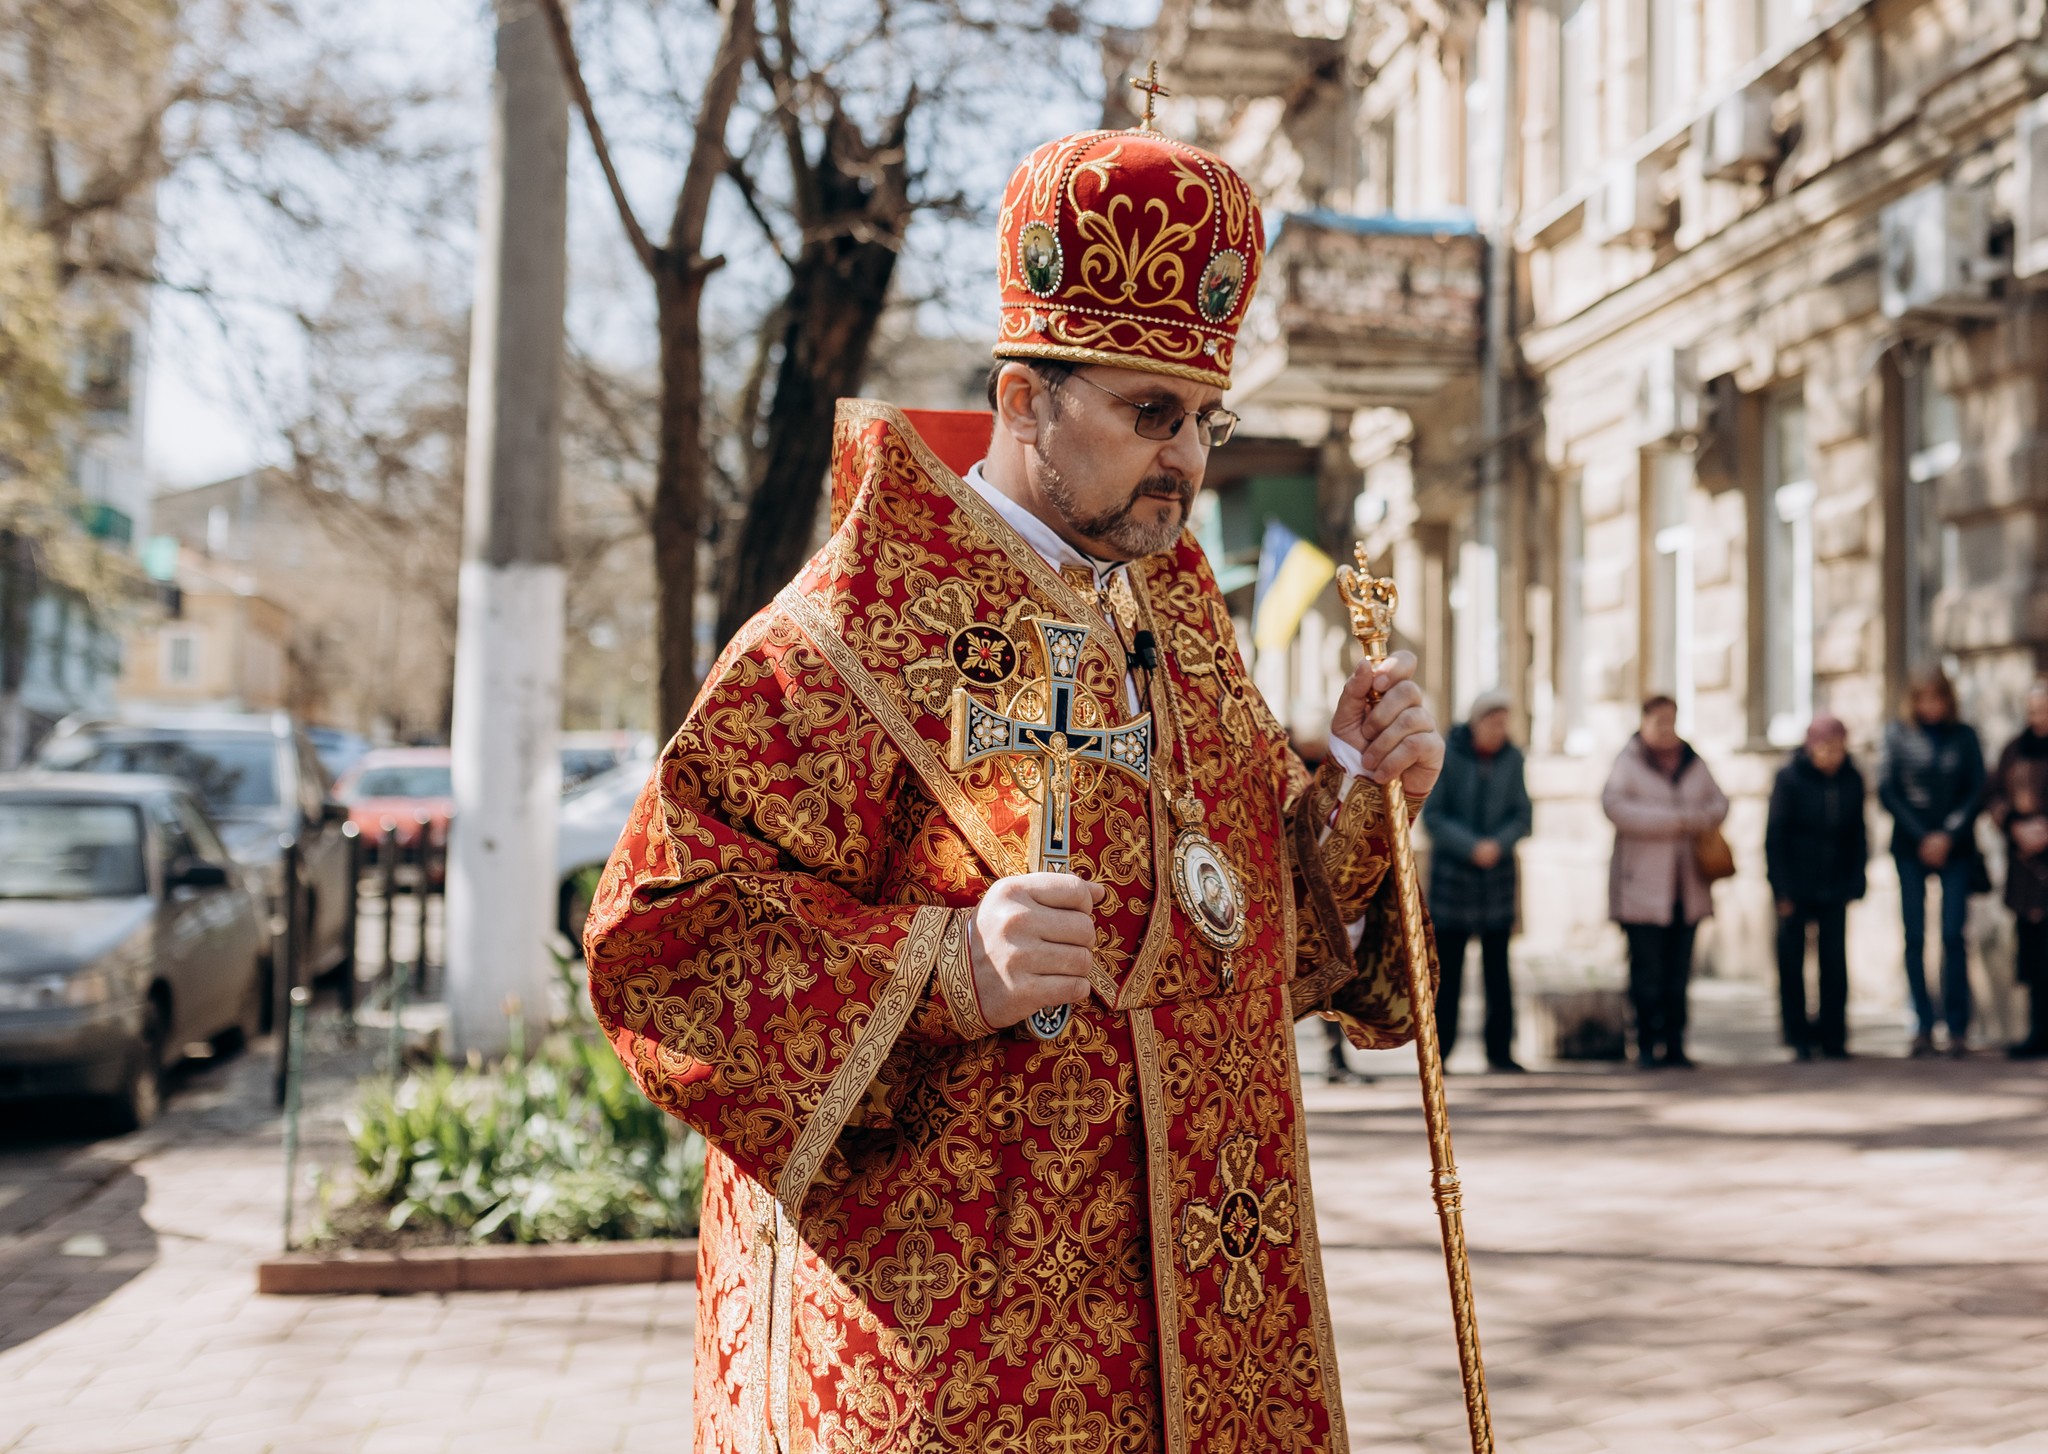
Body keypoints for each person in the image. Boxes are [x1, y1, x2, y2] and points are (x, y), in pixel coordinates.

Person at [583, 119, 1448, 1452]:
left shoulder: (1181, 622)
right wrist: (943, 970)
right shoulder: (842, 633)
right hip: (958, 1360)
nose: (1190, 461)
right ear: (1024, 398)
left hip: (1210, 1336)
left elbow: (1254, 940)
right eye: (1148, 413)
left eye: (1205, 418)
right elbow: (656, 949)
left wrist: (1352, 793)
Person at [1602, 696, 1729, 1068]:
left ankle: (1675, 1043)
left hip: (1686, 885)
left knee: (1678, 972)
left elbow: (1719, 804)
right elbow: (1615, 808)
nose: (1666, 729)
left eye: (1671, 721)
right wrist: (1673, 821)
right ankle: (1644, 1043)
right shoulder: (1628, 762)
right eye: (1658, 721)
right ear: (1643, 723)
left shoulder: (1693, 761)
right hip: (1641, 886)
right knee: (1647, 972)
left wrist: (1694, 818)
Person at [1878, 666, 1986, 1058]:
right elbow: (1887, 789)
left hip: (1955, 847)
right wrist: (1923, 835)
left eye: (1937, 698)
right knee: (1914, 936)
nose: (1930, 706)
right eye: (1923, 699)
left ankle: (1957, 1026)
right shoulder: (1897, 734)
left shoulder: (1964, 736)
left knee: (1953, 935)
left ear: (1947, 700)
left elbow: (1977, 788)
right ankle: (1922, 1022)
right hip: (1911, 845)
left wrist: (1948, 834)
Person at [1422, 690, 1531, 1071]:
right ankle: (1441, 1052)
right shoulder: (1447, 754)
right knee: (1447, 972)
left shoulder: (1513, 758)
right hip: (1455, 875)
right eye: (1493, 722)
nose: (1500, 730)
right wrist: (1471, 847)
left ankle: (1500, 1051)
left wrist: (1496, 845)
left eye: (1505, 723)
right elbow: (1433, 816)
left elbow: (1523, 814)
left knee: (1497, 971)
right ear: (1476, 722)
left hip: (1495, 876)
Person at [1764, 714, 1867, 1060]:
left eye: (1838, 748)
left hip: (1834, 883)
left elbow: (1858, 833)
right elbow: (1775, 837)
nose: (1831, 755)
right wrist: (1781, 889)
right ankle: (1797, 1036)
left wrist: (1856, 879)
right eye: (1824, 747)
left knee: (1834, 964)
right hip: (1796, 884)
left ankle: (1833, 1035)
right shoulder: (1790, 778)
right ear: (1811, 746)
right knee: (1792, 963)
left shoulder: (1851, 779)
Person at [1987, 677, 2048, 1059]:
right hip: (2026, 867)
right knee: (2033, 952)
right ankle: (2037, 1031)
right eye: (2032, 711)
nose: (2037, 717)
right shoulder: (2014, 749)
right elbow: (1992, 794)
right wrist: (2013, 824)